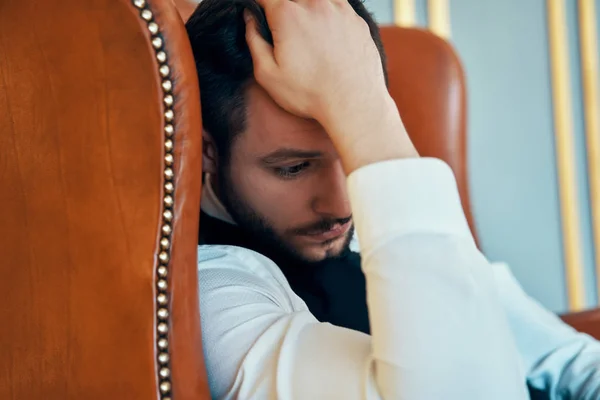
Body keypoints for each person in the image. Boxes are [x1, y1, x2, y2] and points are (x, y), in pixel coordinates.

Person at [185, 0, 600, 398]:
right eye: (293, 168)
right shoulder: (213, 292)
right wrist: (363, 117)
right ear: (207, 150)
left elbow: (577, 362)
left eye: (350, 153)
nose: (342, 206)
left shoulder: (377, 217)